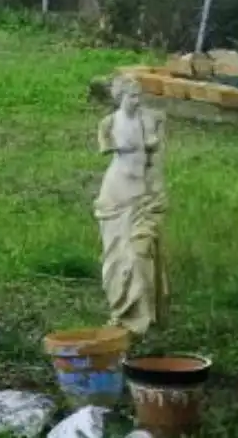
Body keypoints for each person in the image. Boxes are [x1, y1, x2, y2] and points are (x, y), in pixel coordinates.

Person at [95, 75, 168, 334]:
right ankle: (121, 310)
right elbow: (107, 148)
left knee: (139, 251)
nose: (137, 101)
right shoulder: (109, 123)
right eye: (132, 96)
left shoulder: (149, 119)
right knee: (116, 255)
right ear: (120, 97)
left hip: (141, 195)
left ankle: (142, 313)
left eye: (139, 96)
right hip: (116, 193)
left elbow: (156, 160)